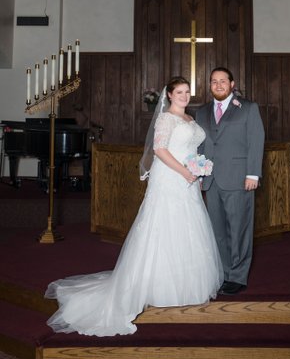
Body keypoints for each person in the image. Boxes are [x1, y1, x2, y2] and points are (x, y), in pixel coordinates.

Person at [44, 76, 223, 337]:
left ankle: (188, 285)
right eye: (179, 92)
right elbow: (160, 150)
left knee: (188, 228)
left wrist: (197, 170)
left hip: (189, 180)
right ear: (169, 95)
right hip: (170, 178)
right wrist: (185, 171)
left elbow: (191, 149)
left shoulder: (189, 118)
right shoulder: (166, 119)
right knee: (165, 227)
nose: (185, 96)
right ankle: (159, 287)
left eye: (187, 92)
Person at [196, 67, 265, 296]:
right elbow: (200, 146)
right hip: (211, 179)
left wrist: (253, 174)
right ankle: (224, 272)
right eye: (214, 81)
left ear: (232, 84)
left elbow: (256, 140)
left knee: (239, 229)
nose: (218, 85)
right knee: (217, 230)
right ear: (209, 85)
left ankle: (237, 276)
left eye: (223, 81)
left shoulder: (248, 108)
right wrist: (199, 174)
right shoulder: (201, 112)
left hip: (239, 178)